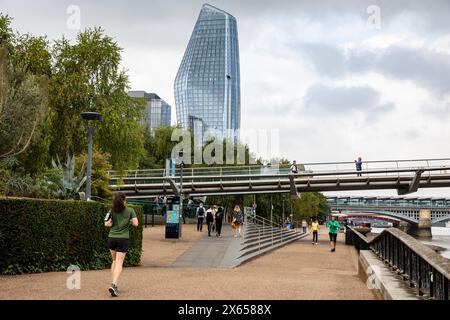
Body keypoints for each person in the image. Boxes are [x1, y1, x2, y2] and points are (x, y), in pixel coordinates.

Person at [104, 192, 139, 297]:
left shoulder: (111, 210)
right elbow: (136, 224)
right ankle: (114, 284)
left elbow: (106, 223)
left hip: (112, 238)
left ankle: (114, 283)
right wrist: (130, 221)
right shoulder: (130, 210)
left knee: (114, 261)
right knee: (119, 262)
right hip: (123, 239)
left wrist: (111, 224)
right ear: (124, 200)